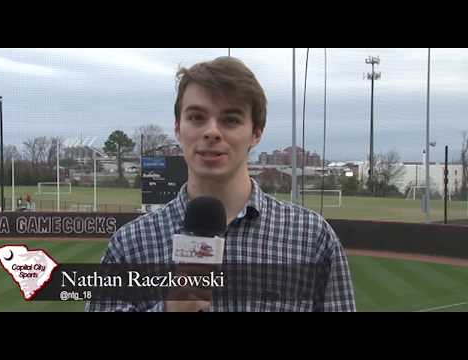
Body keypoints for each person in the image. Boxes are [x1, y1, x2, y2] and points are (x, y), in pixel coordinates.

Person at [86, 56, 356, 312]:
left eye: (230, 120)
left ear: (256, 133)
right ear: (178, 128)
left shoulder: (312, 238)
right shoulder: (131, 244)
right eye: (197, 117)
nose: (212, 131)